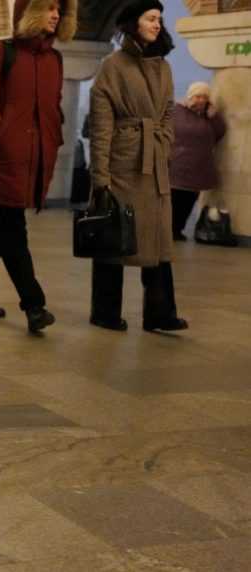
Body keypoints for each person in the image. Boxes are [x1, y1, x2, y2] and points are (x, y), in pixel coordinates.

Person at [0, 0, 74, 334]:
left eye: (59, 10)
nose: (55, 15)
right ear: (29, 12)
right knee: (12, 229)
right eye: (49, 8)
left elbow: (53, 107)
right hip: (2, 159)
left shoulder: (55, 59)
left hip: (35, 160)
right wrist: (7, 136)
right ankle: (34, 304)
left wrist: (53, 137)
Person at [88, 0, 188, 333]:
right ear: (133, 23)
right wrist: (100, 175)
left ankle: (160, 312)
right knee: (114, 235)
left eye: (160, 19)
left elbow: (169, 110)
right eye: (150, 18)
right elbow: (101, 125)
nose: (157, 24)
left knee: (158, 238)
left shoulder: (163, 65)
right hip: (124, 162)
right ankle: (104, 311)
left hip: (155, 159)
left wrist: (166, 139)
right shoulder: (112, 66)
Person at [169, 81, 226, 241]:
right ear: (190, 96)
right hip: (176, 165)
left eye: (204, 97)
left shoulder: (210, 116)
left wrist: (213, 117)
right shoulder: (177, 111)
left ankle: (177, 230)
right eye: (198, 96)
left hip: (199, 167)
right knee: (173, 200)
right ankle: (168, 230)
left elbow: (220, 132)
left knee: (188, 202)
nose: (201, 100)